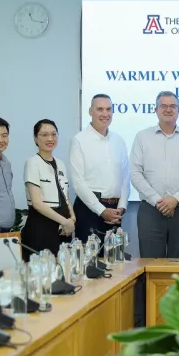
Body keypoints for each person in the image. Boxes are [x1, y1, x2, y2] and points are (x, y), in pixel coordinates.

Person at [131, 91, 179, 258]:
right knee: (150, 262)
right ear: (155, 110)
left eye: (173, 106)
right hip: (150, 210)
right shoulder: (142, 137)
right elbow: (135, 173)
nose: (168, 110)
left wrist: (176, 199)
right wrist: (158, 201)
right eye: (163, 106)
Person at [69, 94, 130, 245]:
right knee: (89, 264)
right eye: (100, 109)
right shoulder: (79, 140)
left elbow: (125, 178)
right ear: (90, 111)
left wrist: (121, 207)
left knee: (115, 262)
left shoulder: (119, 141)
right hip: (89, 210)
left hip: (115, 212)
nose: (105, 114)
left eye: (109, 109)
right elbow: (78, 182)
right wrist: (102, 211)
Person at [21, 120, 75, 261]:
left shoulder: (61, 163)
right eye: (44, 135)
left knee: (64, 271)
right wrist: (64, 221)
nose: (50, 139)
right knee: (42, 275)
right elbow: (37, 203)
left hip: (64, 229)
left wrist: (72, 219)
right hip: (41, 227)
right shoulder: (32, 162)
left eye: (53, 134)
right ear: (35, 138)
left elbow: (66, 197)